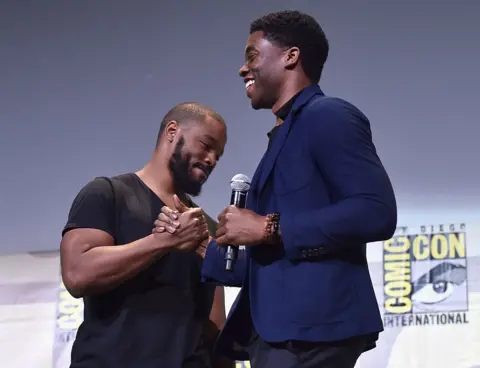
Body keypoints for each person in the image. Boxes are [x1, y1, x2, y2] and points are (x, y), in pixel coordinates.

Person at [156, 10, 397, 368]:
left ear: (291, 56)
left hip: (312, 333)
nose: (242, 68)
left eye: (252, 55)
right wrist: (202, 241)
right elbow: (265, 259)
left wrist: (268, 227)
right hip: (278, 336)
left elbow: (375, 211)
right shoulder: (284, 136)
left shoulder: (328, 114)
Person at [60, 102, 233, 368]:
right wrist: (162, 242)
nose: (211, 159)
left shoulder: (207, 228)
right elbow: (77, 274)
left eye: (218, 155)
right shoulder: (108, 194)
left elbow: (214, 327)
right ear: (172, 131)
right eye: (206, 145)